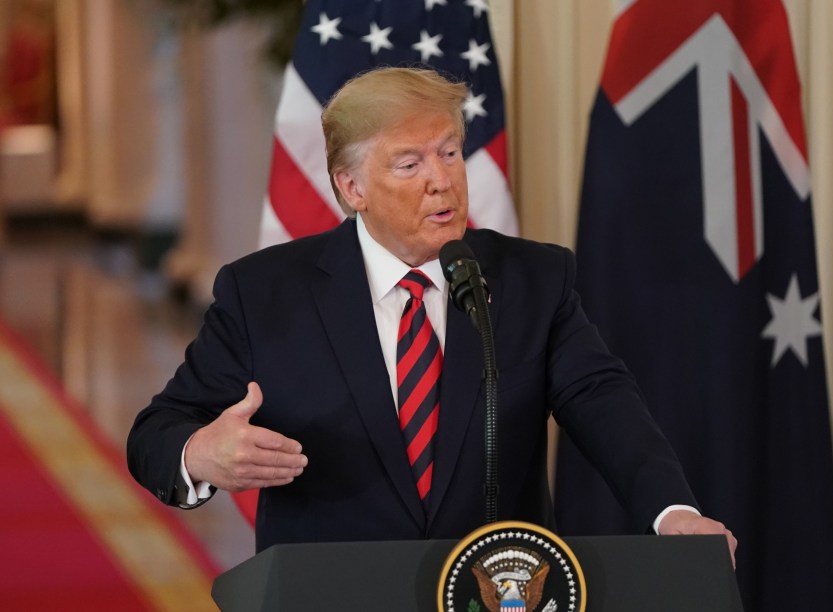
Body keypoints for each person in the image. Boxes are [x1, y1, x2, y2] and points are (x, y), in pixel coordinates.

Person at [126, 67, 737, 563]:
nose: (441, 181)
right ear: (351, 188)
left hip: (496, 591)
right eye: (409, 164)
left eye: (449, 152)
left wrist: (671, 511)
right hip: (333, 596)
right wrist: (201, 454)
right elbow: (156, 433)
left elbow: (603, 401)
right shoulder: (265, 293)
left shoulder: (532, 279)